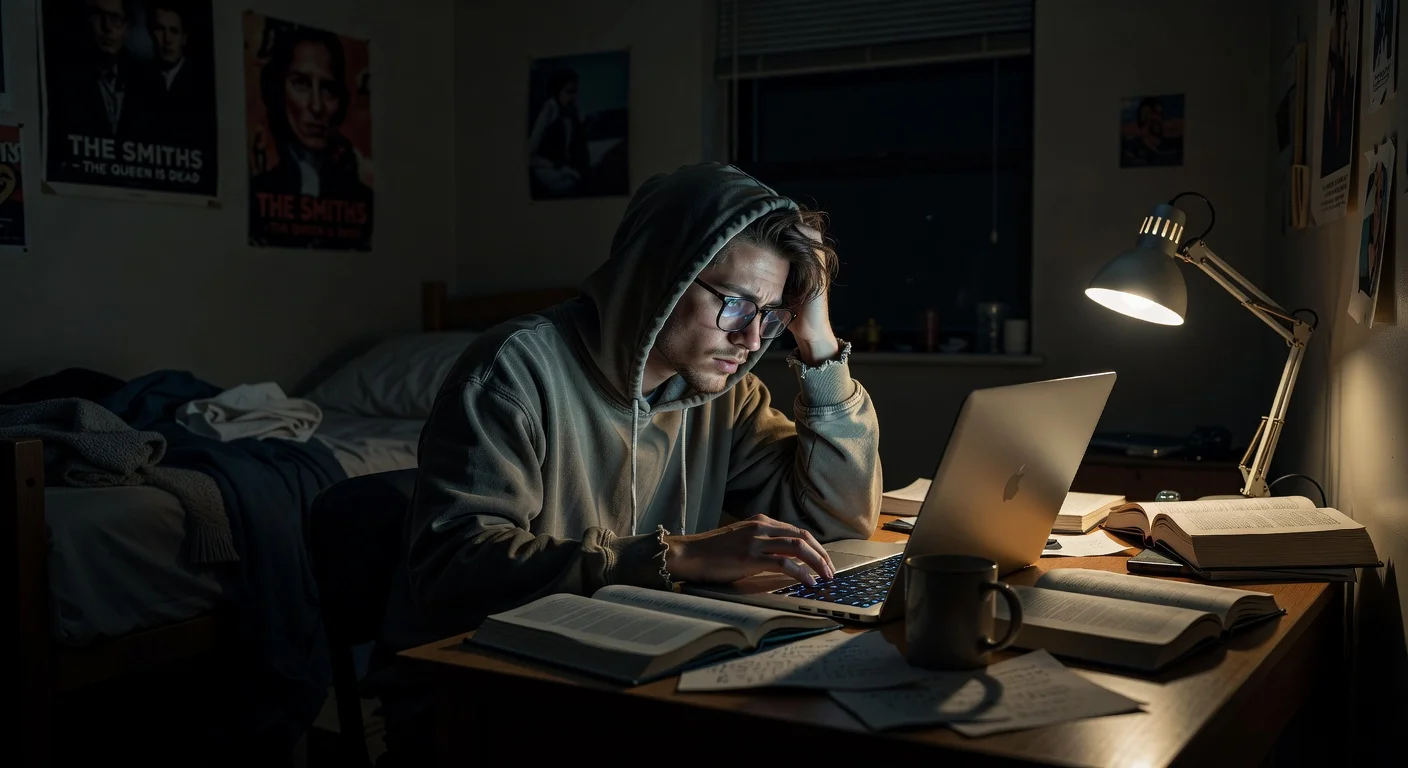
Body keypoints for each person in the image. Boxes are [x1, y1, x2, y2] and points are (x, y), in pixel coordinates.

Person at [372, 162, 882, 765]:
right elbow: (454, 569)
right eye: (739, 305)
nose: (751, 340)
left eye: (771, 317)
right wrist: (674, 557)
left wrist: (817, 344)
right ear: (659, 277)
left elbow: (842, 514)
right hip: (488, 700)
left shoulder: (726, 395)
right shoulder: (513, 372)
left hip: (637, 681)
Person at [250, 24, 372, 247]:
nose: (316, 106)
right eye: (301, 84)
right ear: (279, 91)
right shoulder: (255, 195)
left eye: (328, 89)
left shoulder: (364, 200)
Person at [145, 2, 213, 148]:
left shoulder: (203, 82)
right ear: (150, 33)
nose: (167, 40)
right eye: (160, 30)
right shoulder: (138, 79)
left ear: (184, 38)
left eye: (174, 31)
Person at [527, 68, 590, 197]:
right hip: (546, 169)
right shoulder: (550, 109)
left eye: (575, 92)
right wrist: (557, 166)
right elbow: (530, 152)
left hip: (563, 169)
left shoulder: (570, 112)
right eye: (568, 92)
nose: (573, 97)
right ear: (557, 91)